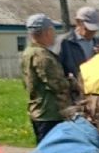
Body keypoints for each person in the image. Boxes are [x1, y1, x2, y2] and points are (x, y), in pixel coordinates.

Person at [21, 13, 72, 144]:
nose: (54, 34)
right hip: (50, 113)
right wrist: (72, 81)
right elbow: (57, 85)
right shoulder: (43, 56)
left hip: (39, 110)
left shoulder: (28, 52)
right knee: (53, 152)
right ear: (47, 32)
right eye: (53, 30)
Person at [58, 6, 99, 87]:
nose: (92, 32)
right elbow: (57, 72)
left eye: (95, 29)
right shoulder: (63, 43)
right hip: (73, 93)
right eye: (88, 28)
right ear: (78, 22)